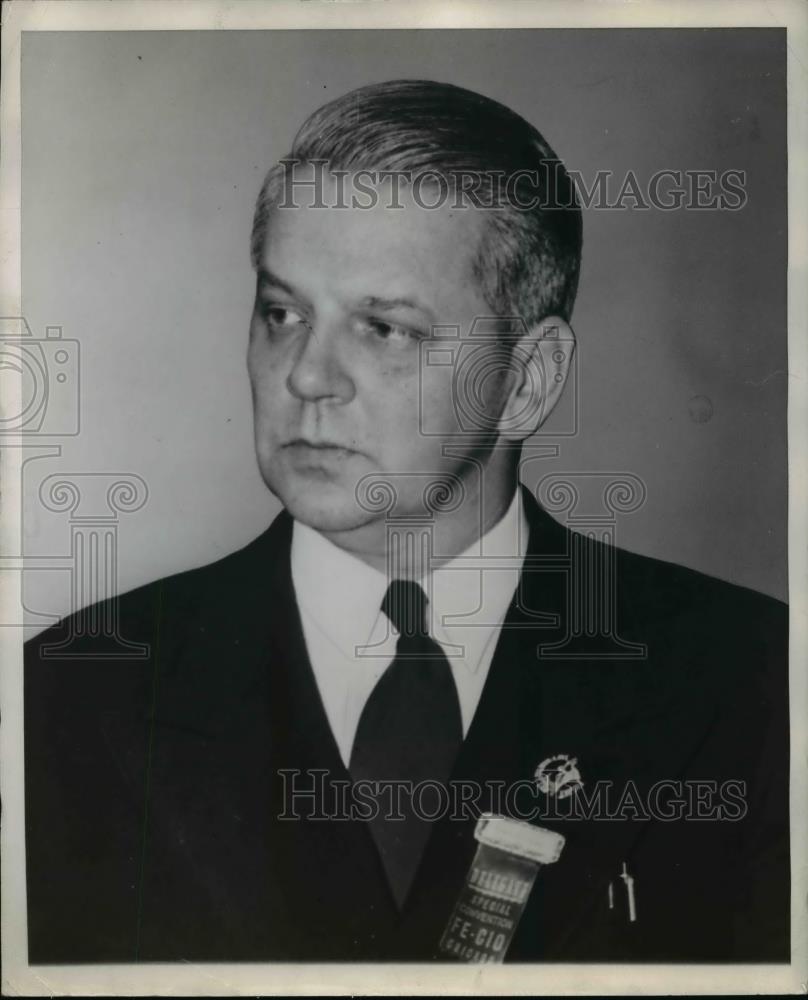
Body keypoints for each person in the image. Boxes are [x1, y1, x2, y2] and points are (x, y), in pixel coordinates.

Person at [24, 79, 789, 964]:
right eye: (282, 314)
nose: (307, 376)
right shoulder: (70, 696)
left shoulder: (752, 685)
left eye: (384, 329)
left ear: (528, 380)